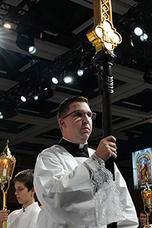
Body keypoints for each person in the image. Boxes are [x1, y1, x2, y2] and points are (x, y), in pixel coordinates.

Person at [34, 96, 138, 228]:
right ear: (63, 122)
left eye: (89, 115)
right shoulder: (49, 157)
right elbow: (56, 199)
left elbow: (123, 203)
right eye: (78, 114)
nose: (86, 120)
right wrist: (96, 161)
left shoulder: (104, 157)